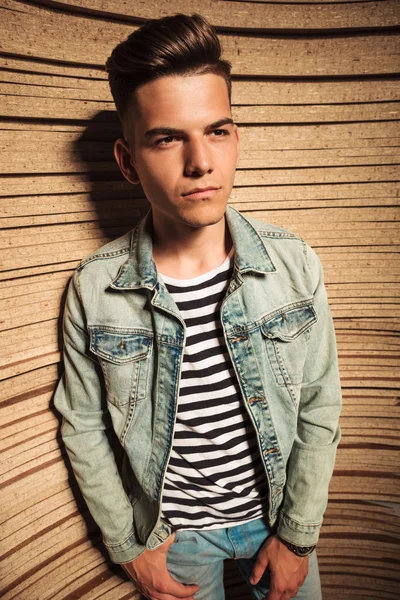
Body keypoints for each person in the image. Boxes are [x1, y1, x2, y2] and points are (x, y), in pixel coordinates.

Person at [54, 13, 342, 600]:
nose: (200, 163)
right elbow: (82, 424)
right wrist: (128, 546)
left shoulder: (293, 264)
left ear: (236, 138)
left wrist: (298, 536)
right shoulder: (94, 288)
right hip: (176, 537)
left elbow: (319, 402)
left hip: (277, 520)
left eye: (216, 131)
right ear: (128, 160)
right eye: (167, 138)